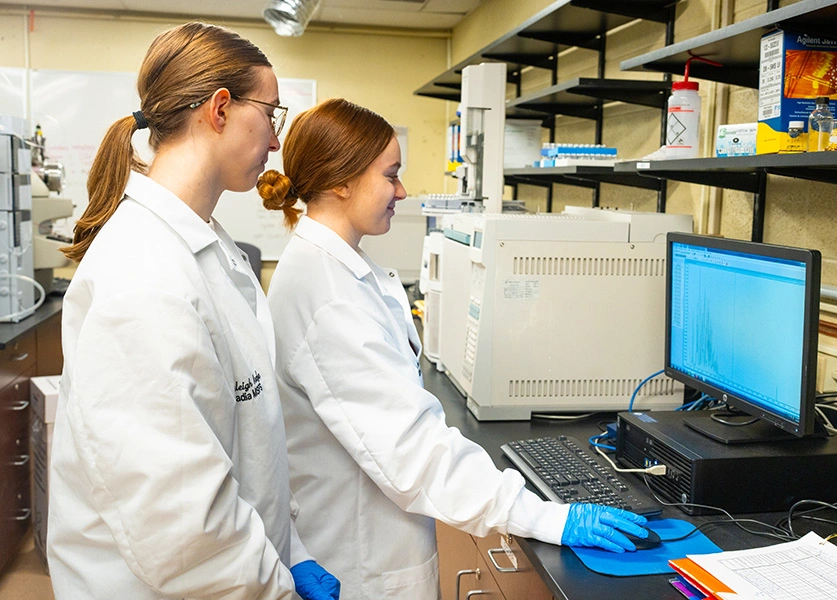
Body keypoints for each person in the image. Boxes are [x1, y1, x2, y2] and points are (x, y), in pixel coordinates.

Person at [259, 97, 651, 598]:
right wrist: (549, 517)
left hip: (364, 538)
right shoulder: (327, 294)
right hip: (359, 562)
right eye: (390, 175)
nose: (401, 191)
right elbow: (415, 454)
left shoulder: (337, 269)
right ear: (341, 180)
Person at [48, 23, 339, 600]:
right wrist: (275, 589)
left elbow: (242, 449)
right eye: (272, 114)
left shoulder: (207, 247)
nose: (278, 143)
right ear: (221, 109)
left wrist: (288, 551)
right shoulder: (144, 275)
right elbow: (181, 529)